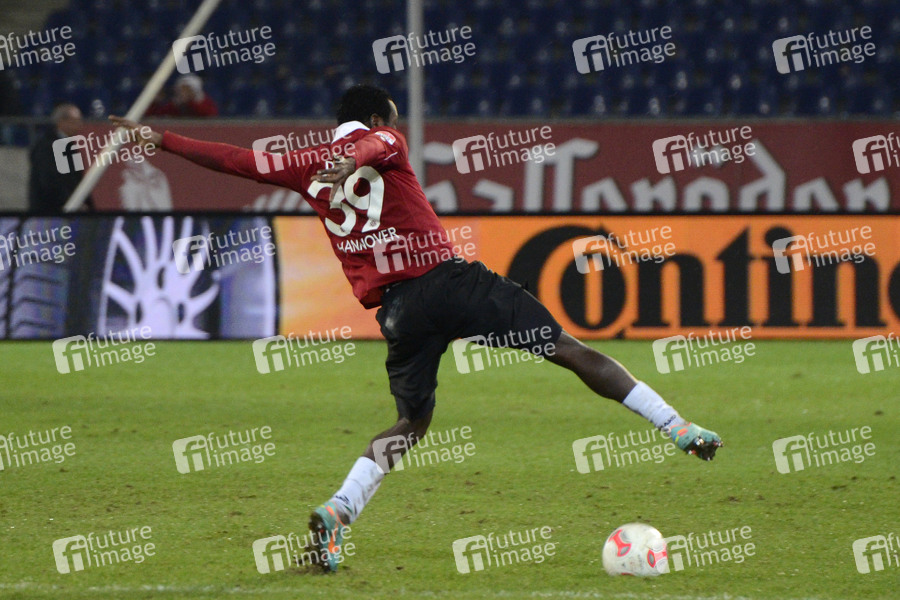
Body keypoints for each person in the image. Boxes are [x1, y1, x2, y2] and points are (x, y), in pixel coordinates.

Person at [110, 83, 723, 572]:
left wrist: (160, 138)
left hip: (399, 311)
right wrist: (351, 157)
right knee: (565, 348)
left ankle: (339, 510)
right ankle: (678, 426)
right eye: (388, 121)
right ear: (379, 116)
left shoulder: (302, 165)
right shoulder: (384, 139)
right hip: (448, 282)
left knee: (411, 423)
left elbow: (235, 161)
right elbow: (373, 148)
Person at [28, 103, 93, 213]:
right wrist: (69, 202)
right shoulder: (47, 146)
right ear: (61, 122)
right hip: (50, 210)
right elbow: (50, 181)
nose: (79, 125)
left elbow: (75, 180)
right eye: (75, 121)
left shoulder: (71, 146)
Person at [146, 74, 218, 117]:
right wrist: (175, 105)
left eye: (188, 90)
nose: (184, 93)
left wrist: (192, 103)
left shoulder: (204, 101)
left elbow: (210, 115)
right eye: (182, 89)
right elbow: (161, 115)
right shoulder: (174, 103)